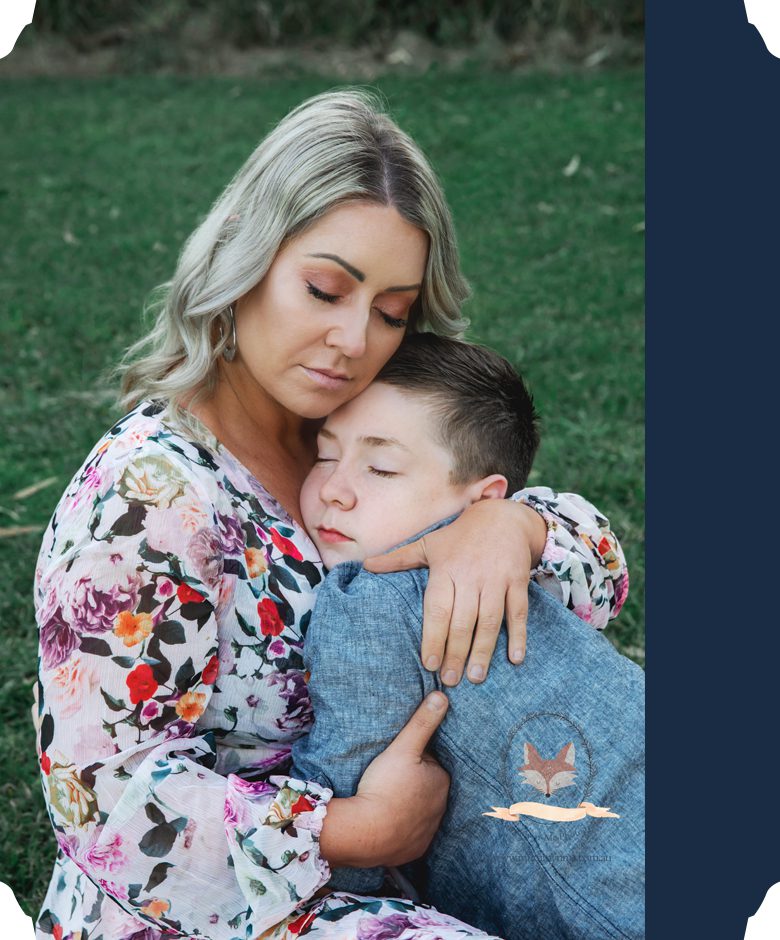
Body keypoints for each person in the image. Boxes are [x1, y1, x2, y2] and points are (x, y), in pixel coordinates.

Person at [33, 89, 628, 939]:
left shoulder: (351, 431)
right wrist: (353, 830)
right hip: (202, 911)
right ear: (245, 256)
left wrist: (517, 528)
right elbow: (100, 803)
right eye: (324, 289)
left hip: (421, 872)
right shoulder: (151, 502)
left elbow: (598, 585)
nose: (356, 341)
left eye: (391, 312)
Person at [292, 334, 644, 939]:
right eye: (324, 456)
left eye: (380, 467)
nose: (334, 488)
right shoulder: (512, 564)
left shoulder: (368, 598)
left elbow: (345, 775)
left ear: (482, 500)